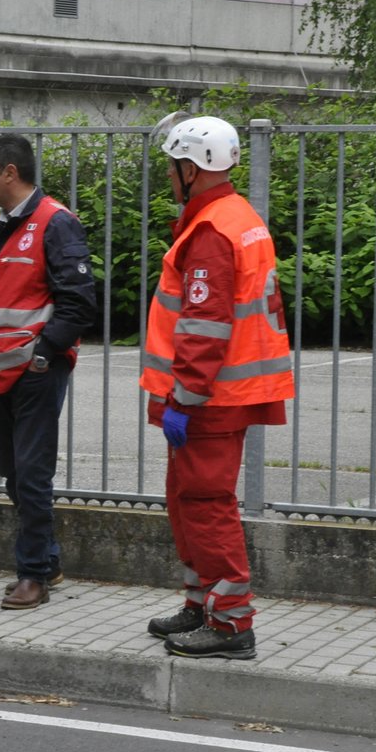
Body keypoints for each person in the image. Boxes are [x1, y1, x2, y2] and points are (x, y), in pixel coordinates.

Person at [139, 115, 294, 660]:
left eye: (171, 167)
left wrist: (183, 396)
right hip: (216, 394)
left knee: (205, 503)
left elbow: (204, 326)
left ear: (190, 167)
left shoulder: (211, 230)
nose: (167, 176)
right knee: (188, 501)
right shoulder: (233, 215)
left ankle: (230, 624)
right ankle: (202, 603)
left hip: (209, 398)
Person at [0, 133, 96, 610]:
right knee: (15, 475)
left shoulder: (56, 223)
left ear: (10, 172)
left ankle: (32, 575)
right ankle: (47, 559)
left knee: (31, 475)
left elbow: (78, 304)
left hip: (35, 372)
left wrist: (42, 355)